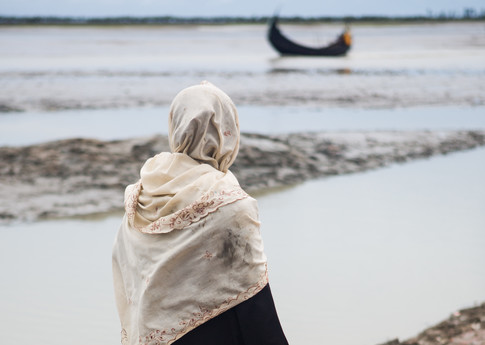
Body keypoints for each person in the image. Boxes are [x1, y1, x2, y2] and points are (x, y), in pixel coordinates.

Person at [112, 81, 289, 345]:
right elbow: (257, 312)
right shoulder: (231, 205)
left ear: (176, 127)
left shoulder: (142, 197)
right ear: (227, 131)